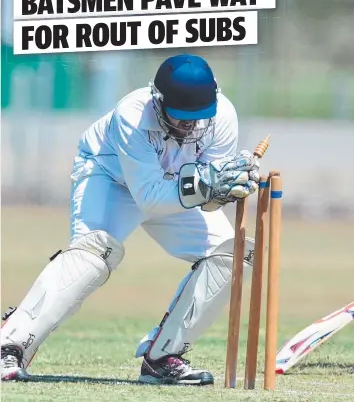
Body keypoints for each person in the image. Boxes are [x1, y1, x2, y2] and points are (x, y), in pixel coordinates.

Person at [1, 54, 261, 385]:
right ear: (159, 100)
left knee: (232, 254)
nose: (190, 126)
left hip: (170, 188)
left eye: (198, 118)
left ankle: (163, 357)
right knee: (94, 254)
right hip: (111, 178)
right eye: (181, 117)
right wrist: (208, 185)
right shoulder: (132, 114)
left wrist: (226, 189)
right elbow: (149, 196)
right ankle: (9, 344)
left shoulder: (222, 116)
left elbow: (206, 203)